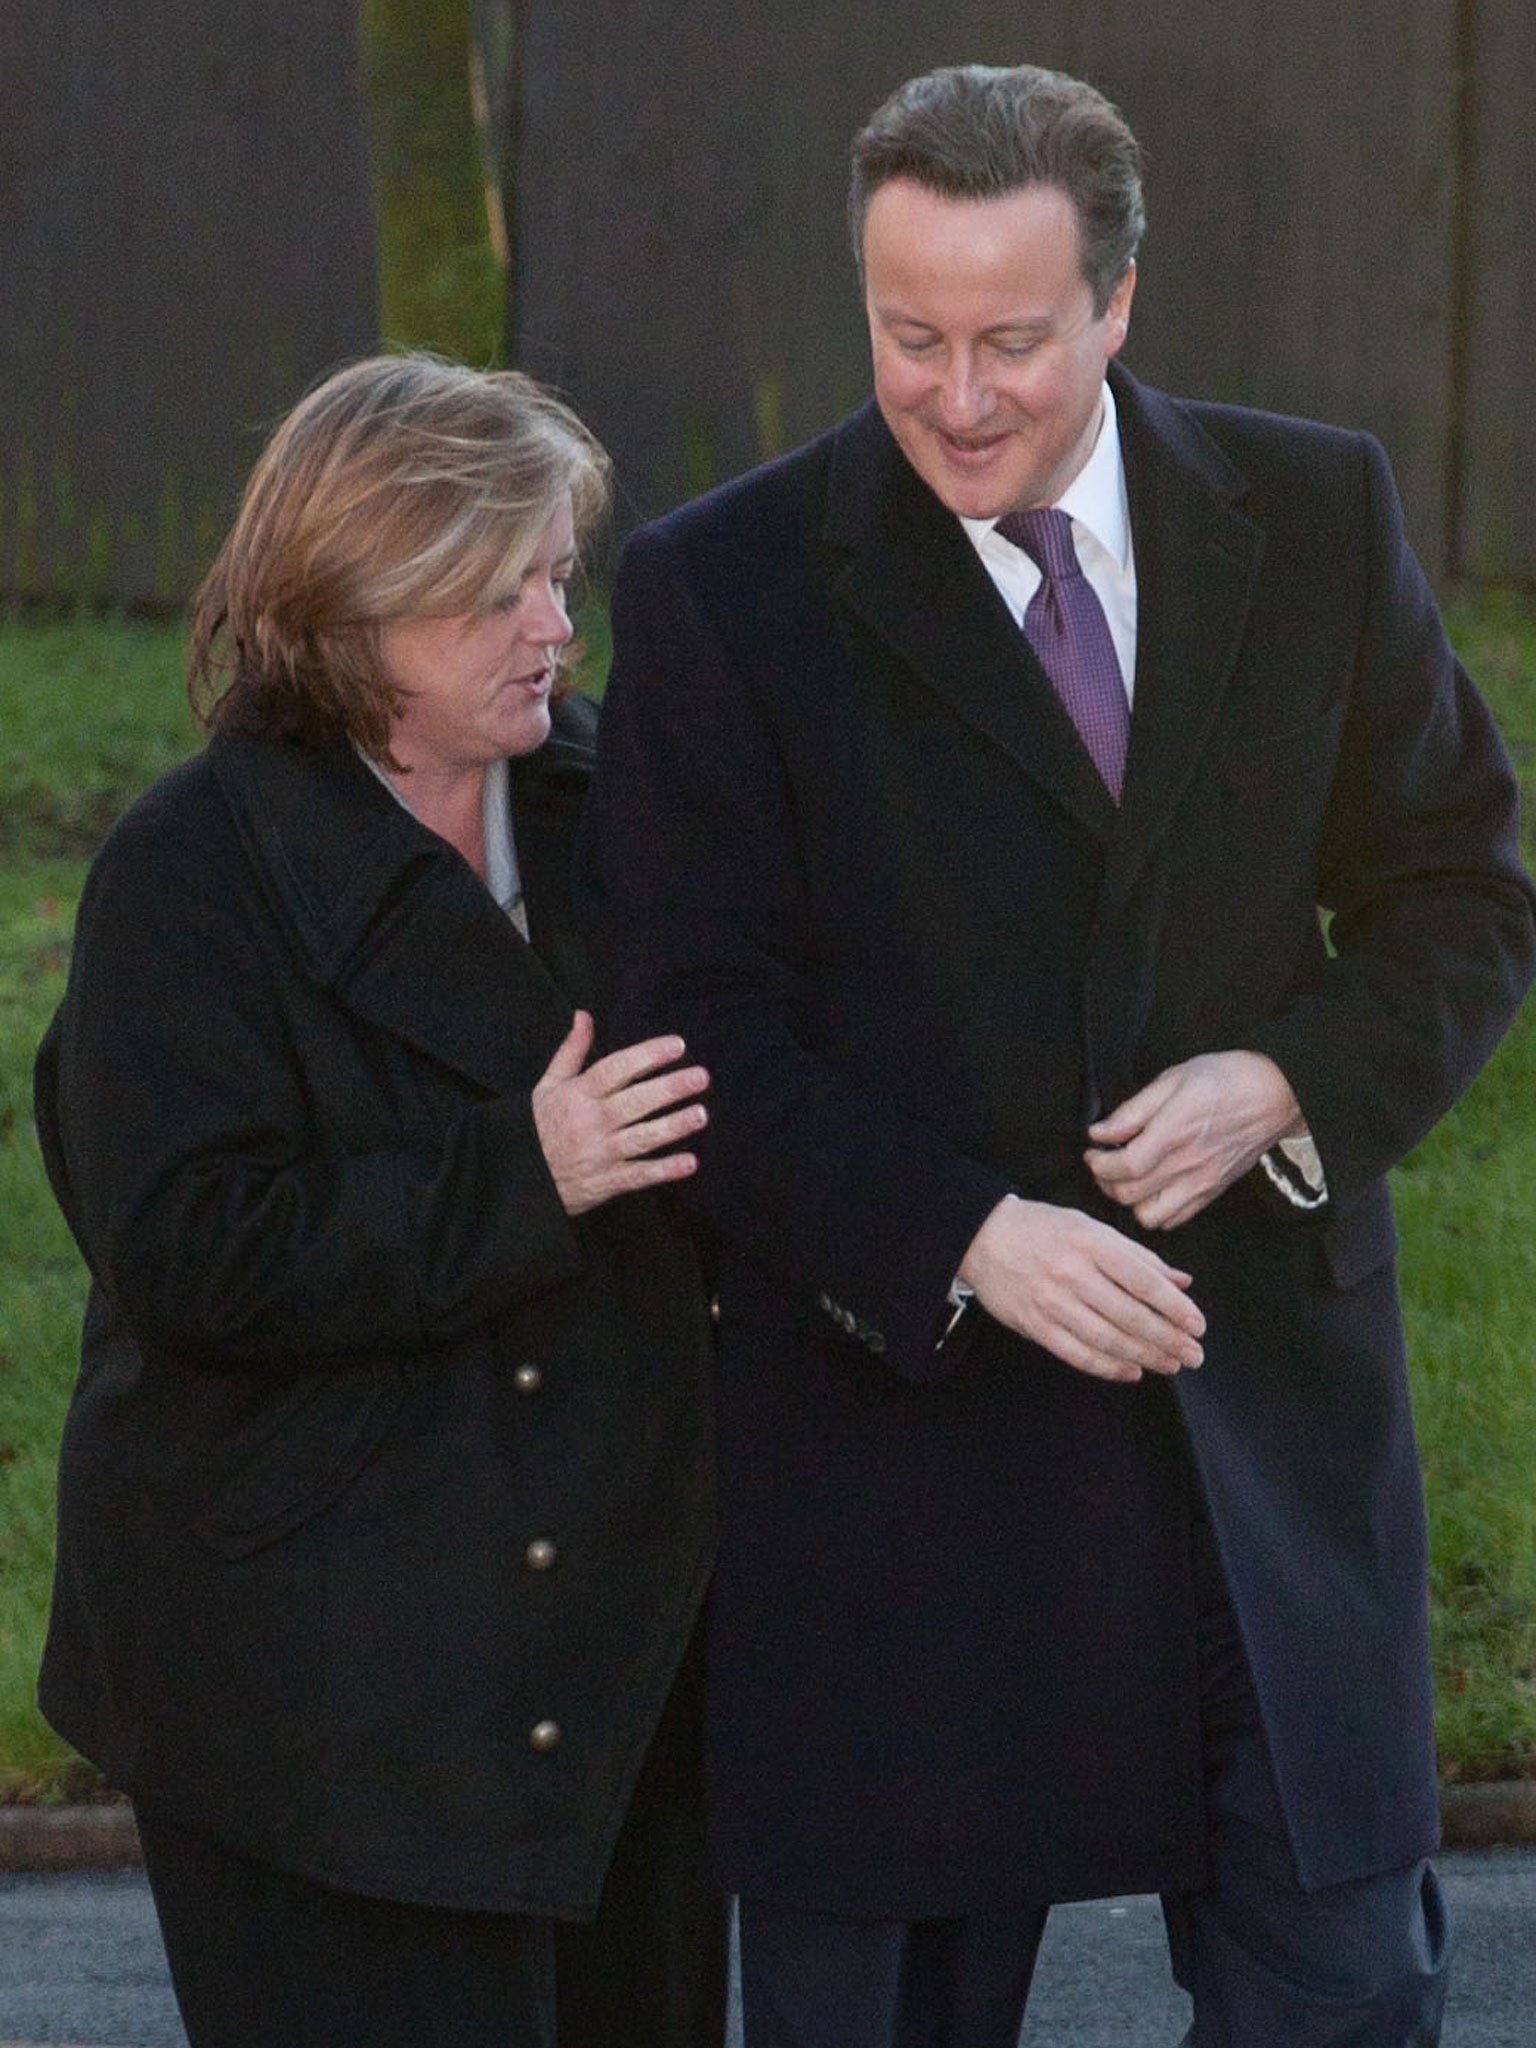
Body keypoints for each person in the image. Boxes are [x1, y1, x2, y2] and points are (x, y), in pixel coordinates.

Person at [581, 62, 1536, 2048]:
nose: (956, 392)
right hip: (903, 1452)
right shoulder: (722, 592)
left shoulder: (1313, 509)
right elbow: (699, 1040)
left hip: (1257, 1420)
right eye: (905, 334)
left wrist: (1287, 1084)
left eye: (1012, 338)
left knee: (1348, 2001)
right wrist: (966, 1235)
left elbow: (1464, 894)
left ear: (1115, 303)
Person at [34, 354, 726, 2048]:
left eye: (559, 572)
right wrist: (527, 1171)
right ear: (349, 606)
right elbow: (193, 1255)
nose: (552, 626)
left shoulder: (617, 810)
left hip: (616, 1660)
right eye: (495, 591)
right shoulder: (191, 874)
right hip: (318, 1684)